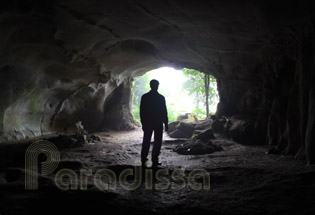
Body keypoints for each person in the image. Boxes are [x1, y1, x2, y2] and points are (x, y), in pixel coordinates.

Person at [140, 79, 168, 167]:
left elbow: (142, 111)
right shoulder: (161, 98)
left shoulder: (145, 97)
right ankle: (154, 159)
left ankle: (144, 159)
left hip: (148, 122)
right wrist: (166, 123)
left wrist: (143, 122)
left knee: (146, 140)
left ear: (150, 85)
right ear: (157, 86)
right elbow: (164, 111)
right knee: (157, 141)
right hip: (158, 122)